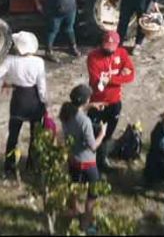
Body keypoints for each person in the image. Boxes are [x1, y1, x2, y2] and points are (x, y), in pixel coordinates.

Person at [0, 31, 48, 178]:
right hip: (34, 100)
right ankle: (32, 165)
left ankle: (9, 166)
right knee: (36, 135)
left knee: (13, 135)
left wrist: (7, 84)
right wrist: (45, 102)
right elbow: (42, 87)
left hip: (18, 100)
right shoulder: (39, 62)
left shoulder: (10, 60)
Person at [60, 84, 107, 234]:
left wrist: (90, 106)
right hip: (87, 162)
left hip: (73, 159)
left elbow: (78, 112)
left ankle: (73, 210)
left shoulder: (66, 113)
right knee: (92, 194)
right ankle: (86, 224)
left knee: (73, 186)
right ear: (85, 100)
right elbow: (93, 146)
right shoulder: (85, 122)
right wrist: (102, 134)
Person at [86, 30, 135, 170]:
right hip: (97, 103)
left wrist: (112, 79)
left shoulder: (122, 54)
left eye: (111, 47)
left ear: (117, 45)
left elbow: (131, 76)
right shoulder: (93, 57)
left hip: (114, 102)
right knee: (93, 133)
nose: (108, 49)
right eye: (106, 46)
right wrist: (120, 75)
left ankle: (102, 159)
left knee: (108, 134)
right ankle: (90, 161)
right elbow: (97, 81)